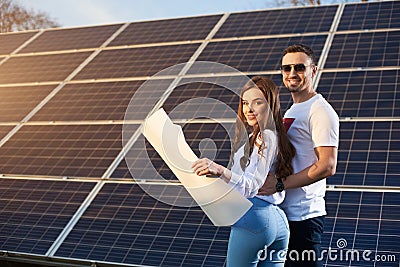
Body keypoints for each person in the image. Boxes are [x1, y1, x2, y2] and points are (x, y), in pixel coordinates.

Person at [192, 76, 296, 267]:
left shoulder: (267, 137)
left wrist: (220, 170)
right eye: (245, 103)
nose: (249, 109)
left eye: (257, 102)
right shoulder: (258, 137)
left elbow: (251, 187)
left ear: (270, 104)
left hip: (253, 218)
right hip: (278, 220)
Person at [258, 44, 339, 267]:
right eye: (287, 68)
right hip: (285, 214)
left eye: (300, 67)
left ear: (314, 70)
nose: (292, 73)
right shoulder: (293, 110)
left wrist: (280, 185)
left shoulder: (320, 111)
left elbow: (327, 165)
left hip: (304, 219)